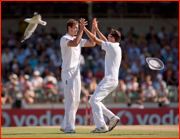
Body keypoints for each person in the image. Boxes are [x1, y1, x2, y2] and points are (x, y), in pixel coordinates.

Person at [83, 18, 121, 133]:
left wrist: (84, 28)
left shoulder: (113, 47)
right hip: (111, 79)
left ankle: (102, 126)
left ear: (113, 38)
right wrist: (97, 29)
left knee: (94, 100)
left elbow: (95, 39)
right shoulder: (114, 46)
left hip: (109, 79)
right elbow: (104, 40)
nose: (107, 36)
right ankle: (112, 117)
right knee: (94, 100)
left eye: (109, 35)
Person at [60, 18, 96, 133]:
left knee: (76, 100)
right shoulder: (64, 38)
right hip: (67, 72)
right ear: (69, 28)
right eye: (75, 28)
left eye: (77, 28)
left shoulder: (78, 38)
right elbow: (74, 43)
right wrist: (81, 29)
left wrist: (93, 30)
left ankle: (64, 125)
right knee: (70, 100)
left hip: (76, 73)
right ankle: (69, 128)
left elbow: (92, 43)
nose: (76, 30)